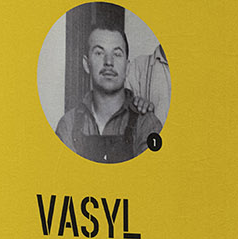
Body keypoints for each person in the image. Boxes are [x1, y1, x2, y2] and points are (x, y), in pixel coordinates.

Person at [55, 25, 162, 164]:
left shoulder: (147, 124)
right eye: (99, 53)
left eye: (117, 54)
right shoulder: (68, 125)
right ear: (87, 64)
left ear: (127, 67)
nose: (109, 62)